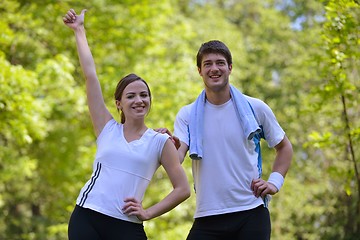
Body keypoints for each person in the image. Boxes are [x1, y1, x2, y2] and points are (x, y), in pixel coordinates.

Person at [63, 9, 190, 240]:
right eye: (131, 96)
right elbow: (91, 76)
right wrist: (79, 31)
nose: (139, 100)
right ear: (119, 103)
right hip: (87, 216)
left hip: (127, 226)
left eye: (144, 95)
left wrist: (148, 212)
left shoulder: (160, 141)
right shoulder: (106, 128)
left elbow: (183, 189)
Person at [170, 40, 293, 239]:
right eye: (207, 64)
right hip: (207, 216)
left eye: (220, 62)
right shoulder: (187, 115)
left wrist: (274, 182)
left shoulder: (256, 108)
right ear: (199, 71)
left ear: (230, 67)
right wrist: (165, 144)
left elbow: (284, 147)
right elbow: (177, 157)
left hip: (251, 212)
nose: (214, 68)